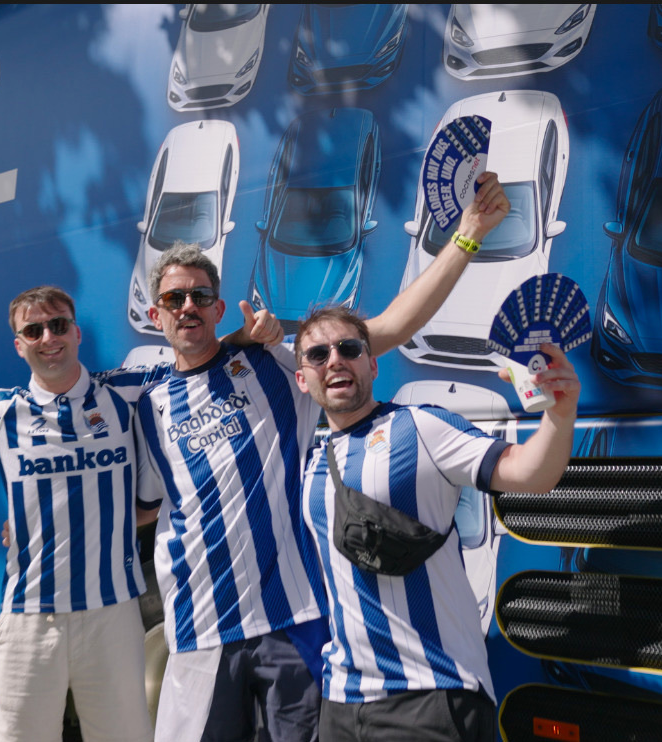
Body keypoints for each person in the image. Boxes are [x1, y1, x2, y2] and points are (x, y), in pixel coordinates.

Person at [134, 172, 510, 742]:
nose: (187, 307)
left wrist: (467, 236)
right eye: (173, 299)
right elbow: (137, 503)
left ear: (218, 308)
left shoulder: (280, 365)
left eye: (200, 297)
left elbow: (393, 324)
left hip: (294, 622)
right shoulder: (147, 405)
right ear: (156, 313)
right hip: (202, 627)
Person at [0, 284, 277, 742]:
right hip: (30, 622)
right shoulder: (0, 411)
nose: (47, 338)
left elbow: (195, 354)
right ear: (19, 346)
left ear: (77, 333)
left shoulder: (124, 390)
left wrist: (247, 336)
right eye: (33, 331)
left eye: (58, 325)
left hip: (114, 618)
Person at [292, 306, 579, 741]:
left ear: (372, 364)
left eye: (349, 348)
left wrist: (560, 412)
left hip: (430, 696)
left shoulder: (421, 426)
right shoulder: (312, 463)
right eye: (318, 355)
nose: (334, 360)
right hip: (341, 700)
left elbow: (530, 473)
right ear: (302, 379)